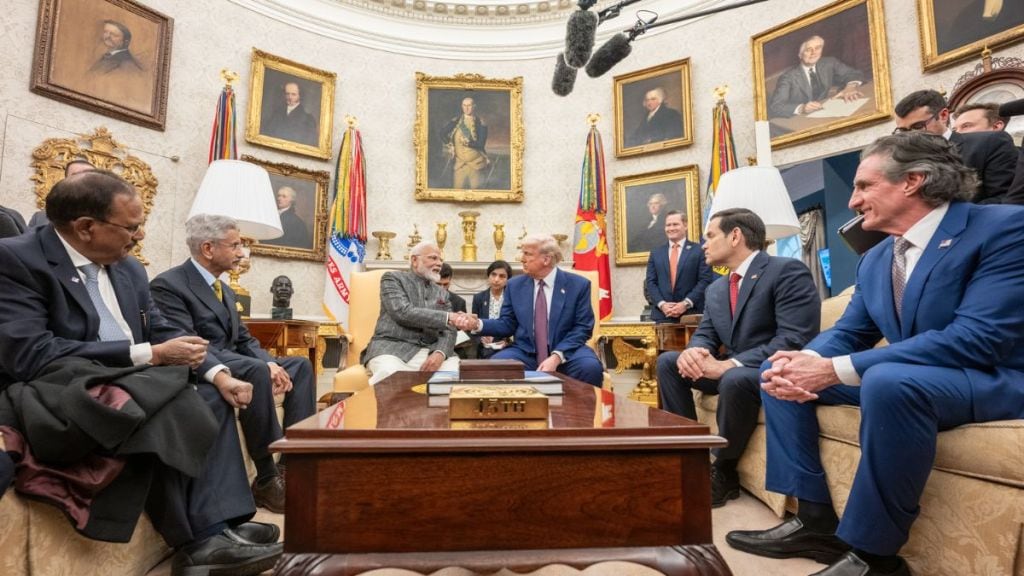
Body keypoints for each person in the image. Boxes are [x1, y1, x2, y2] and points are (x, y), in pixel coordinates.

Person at [726, 132, 1024, 576]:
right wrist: (803, 363)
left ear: (913, 181)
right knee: (778, 372)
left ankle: (873, 557)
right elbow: (849, 332)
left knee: (887, 381)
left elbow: (977, 338)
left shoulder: (1003, 228)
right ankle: (814, 519)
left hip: (994, 375)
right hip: (922, 379)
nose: (852, 201)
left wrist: (831, 370)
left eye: (864, 186)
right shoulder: (877, 257)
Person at [0, 171, 282, 574]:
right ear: (85, 228)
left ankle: (226, 524)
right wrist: (148, 355)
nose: (139, 237)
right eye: (131, 228)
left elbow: (163, 328)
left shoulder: (128, 269)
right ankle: (200, 542)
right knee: (166, 403)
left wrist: (219, 374)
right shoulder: (16, 259)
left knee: (205, 395)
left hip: (133, 379)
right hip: (56, 386)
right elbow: (31, 353)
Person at [150, 214, 316, 515]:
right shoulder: (169, 285)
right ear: (208, 248)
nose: (242, 253)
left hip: (237, 358)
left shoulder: (224, 289)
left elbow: (244, 340)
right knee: (255, 370)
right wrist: (261, 367)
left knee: (299, 367)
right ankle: (266, 478)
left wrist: (270, 362)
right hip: (206, 364)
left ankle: (293, 464)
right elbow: (190, 344)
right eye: (236, 245)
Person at [655, 208, 820, 508]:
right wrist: (696, 351)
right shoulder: (718, 287)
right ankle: (690, 457)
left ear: (735, 236)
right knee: (669, 362)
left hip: (767, 370)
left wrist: (730, 364)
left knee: (734, 378)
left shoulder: (786, 271)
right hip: (730, 371)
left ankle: (724, 471)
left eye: (709, 236)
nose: (703, 244)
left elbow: (794, 339)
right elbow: (707, 332)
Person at [458, 235, 604, 387]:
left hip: (567, 351)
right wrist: (476, 324)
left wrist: (556, 356)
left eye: (527, 254)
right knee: (495, 366)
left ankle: (577, 411)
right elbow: (507, 324)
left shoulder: (577, 285)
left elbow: (583, 328)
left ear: (546, 259)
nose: (522, 258)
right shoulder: (514, 285)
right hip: (527, 352)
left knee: (590, 368)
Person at [893, 89, 1023, 204]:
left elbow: (1007, 199)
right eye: (904, 131)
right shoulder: (899, 160)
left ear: (943, 116)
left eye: (918, 127)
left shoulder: (989, 143)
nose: (911, 136)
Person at [363, 242, 461, 385]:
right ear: (415, 260)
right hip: (392, 349)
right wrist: (448, 317)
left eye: (440, 260)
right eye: (433, 258)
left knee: (452, 376)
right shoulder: (392, 279)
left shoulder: (441, 292)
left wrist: (440, 353)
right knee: (389, 375)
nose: (439, 263)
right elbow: (402, 312)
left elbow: (450, 329)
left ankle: (434, 408)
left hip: (430, 350)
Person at [767, 35, 864, 119]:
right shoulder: (788, 77)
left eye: (817, 48)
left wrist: (850, 87)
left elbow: (854, 73)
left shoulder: (829, 63)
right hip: (799, 120)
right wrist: (802, 108)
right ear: (800, 55)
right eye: (808, 50)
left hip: (827, 112)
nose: (814, 53)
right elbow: (776, 107)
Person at [644, 210, 715, 322]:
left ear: (685, 225)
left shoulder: (699, 250)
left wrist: (685, 304)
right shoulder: (656, 253)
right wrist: (662, 305)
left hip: (692, 315)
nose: (671, 228)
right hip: (663, 316)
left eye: (675, 224)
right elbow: (650, 282)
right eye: (668, 225)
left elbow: (705, 280)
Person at [29, 160, 95, 228]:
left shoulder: (105, 217)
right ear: (65, 182)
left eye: (88, 176)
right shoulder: (41, 219)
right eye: (76, 176)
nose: (83, 181)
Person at [441, 97, 490, 189]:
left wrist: (468, 143)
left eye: (469, 105)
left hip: (476, 165)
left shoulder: (481, 123)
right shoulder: (456, 121)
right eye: (464, 105)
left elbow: (481, 144)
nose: (466, 108)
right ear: (462, 106)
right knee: (457, 192)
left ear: (474, 107)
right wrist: (450, 145)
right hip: (459, 165)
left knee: (477, 193)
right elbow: (442, 133)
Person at [471, 260, 514, 359]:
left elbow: (516, 325)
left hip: (507, 347)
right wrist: (481, 339)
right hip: (485, 348)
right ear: (488, 276)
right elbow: (473, 327)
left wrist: (508, 341)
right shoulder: (479, 298)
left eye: (502, 276)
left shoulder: (512, 298)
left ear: (508, 279)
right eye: (493, 275)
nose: (496, 279)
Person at [262, 81, 319, 146]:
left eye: (293, 94)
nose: (290, 97)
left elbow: (309, 143)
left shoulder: (308, 119)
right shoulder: (276, 114)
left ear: (300, 96)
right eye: (287, 94)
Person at [438, 263, 473, 359]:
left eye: (445, 284)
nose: (442, 288)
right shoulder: (424, 298)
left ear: (450, 281)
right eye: (438, 284)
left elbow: (464, 331)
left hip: (452, 344)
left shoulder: (459, 301)